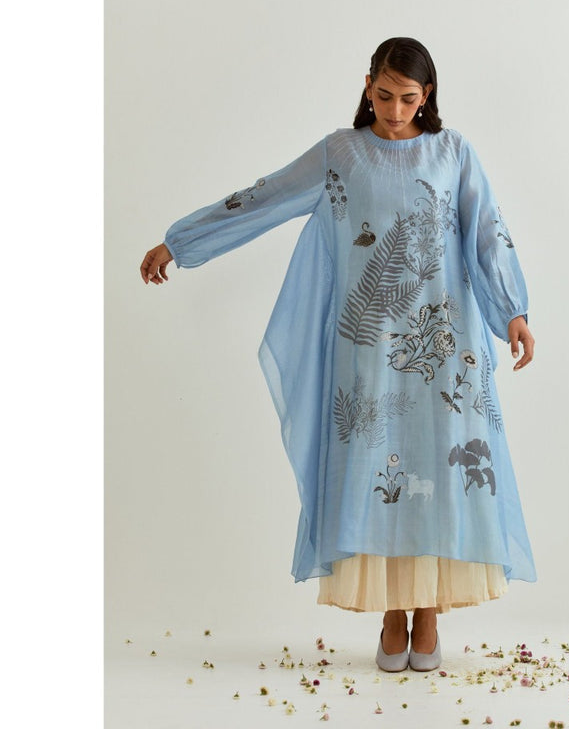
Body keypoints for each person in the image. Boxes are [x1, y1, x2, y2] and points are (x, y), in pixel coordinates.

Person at [140, 37, 537, 673]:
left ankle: (428, 614)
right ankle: (391, 614)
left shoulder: (454, 152)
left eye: (408, 98)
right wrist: (180, 244)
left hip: (441, 342)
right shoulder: (340, 154)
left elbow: (486, 231)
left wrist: (512, 311)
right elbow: (265, 197)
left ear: (427, 96)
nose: (395, 110)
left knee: (438, 464)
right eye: (384, 95)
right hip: (368, 345)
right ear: (367, 85)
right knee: (380, 471)